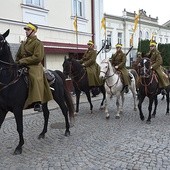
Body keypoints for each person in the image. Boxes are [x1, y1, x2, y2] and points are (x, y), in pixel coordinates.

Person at [15, 22, 53, 111]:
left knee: (34, 78)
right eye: (26, 30)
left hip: (34, 66)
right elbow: (18, 55)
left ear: (33, 31)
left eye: (28, 30)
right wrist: (16, 62)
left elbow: (38, 57)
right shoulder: (23, 43)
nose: (26, 31)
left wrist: (22, 61)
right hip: (22, 64)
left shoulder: (38, 43)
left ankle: (37, 102)